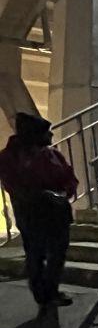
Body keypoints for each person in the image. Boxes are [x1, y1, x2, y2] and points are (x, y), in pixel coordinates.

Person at [0, 112, 78, 315]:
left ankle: (52, 291)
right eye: (46, 133)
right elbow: (15, 186)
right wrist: (44, 195)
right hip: (32, 213)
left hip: (57, 212)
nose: (51, 136)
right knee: (36, 255)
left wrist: (63, 193)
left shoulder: (51, 154)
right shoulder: (10, 158)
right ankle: (42, 295)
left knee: (58, 253)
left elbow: (69, 177)